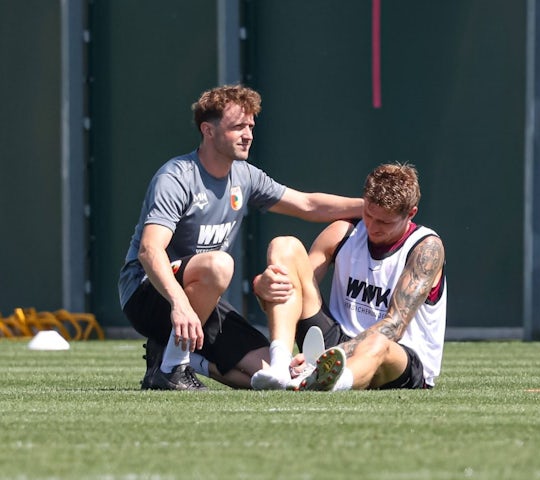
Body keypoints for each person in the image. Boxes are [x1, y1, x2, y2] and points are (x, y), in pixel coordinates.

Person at [118, 84, 363, 390]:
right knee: (219, 265)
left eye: (250, 126)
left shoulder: (245, 175)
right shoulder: (177, 176)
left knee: (273, 376)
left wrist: (372, 208)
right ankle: (171, 367)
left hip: (202, 300)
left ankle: (186, 359)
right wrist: (179, 305)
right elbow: (149, 250)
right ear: (208, 130)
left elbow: (307, 204)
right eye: (238, 127)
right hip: (149, 293)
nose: (248, 134)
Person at [251, 163, 446, 391]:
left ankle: (333, 382)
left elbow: (394, 327)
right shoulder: (343, 232)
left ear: (410, 213)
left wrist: (327, 359)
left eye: (384, 222)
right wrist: (262, 287)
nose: (373, 227)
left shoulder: (426, 248)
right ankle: (280, 367)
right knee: (284, 246)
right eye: (368, 215)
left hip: (395, 355)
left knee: (378, 342)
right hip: (334, 342)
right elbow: (292, 295)